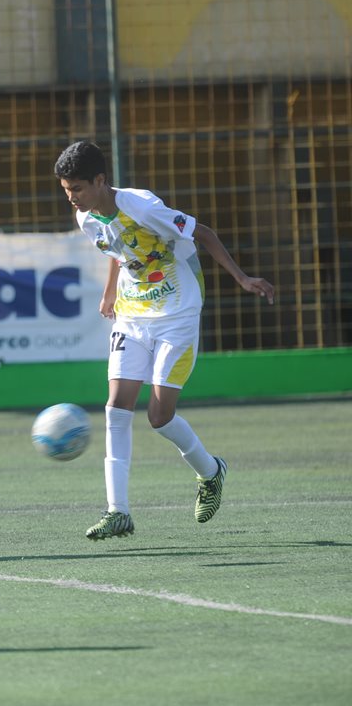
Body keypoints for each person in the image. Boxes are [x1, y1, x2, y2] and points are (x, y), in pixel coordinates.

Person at [54, 141, 275, 540]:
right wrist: (109, 293)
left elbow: (203, 233)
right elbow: (118, 250)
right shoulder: (86, 218)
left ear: (101, 180)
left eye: (78, 189)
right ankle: (117, 511)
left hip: (178, 312)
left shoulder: (142, 206)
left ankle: (211, 471)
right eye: (67, 190)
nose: (72, 198)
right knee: (117, 406)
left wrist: (242, 278)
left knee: (159, 416)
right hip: (133, 314)